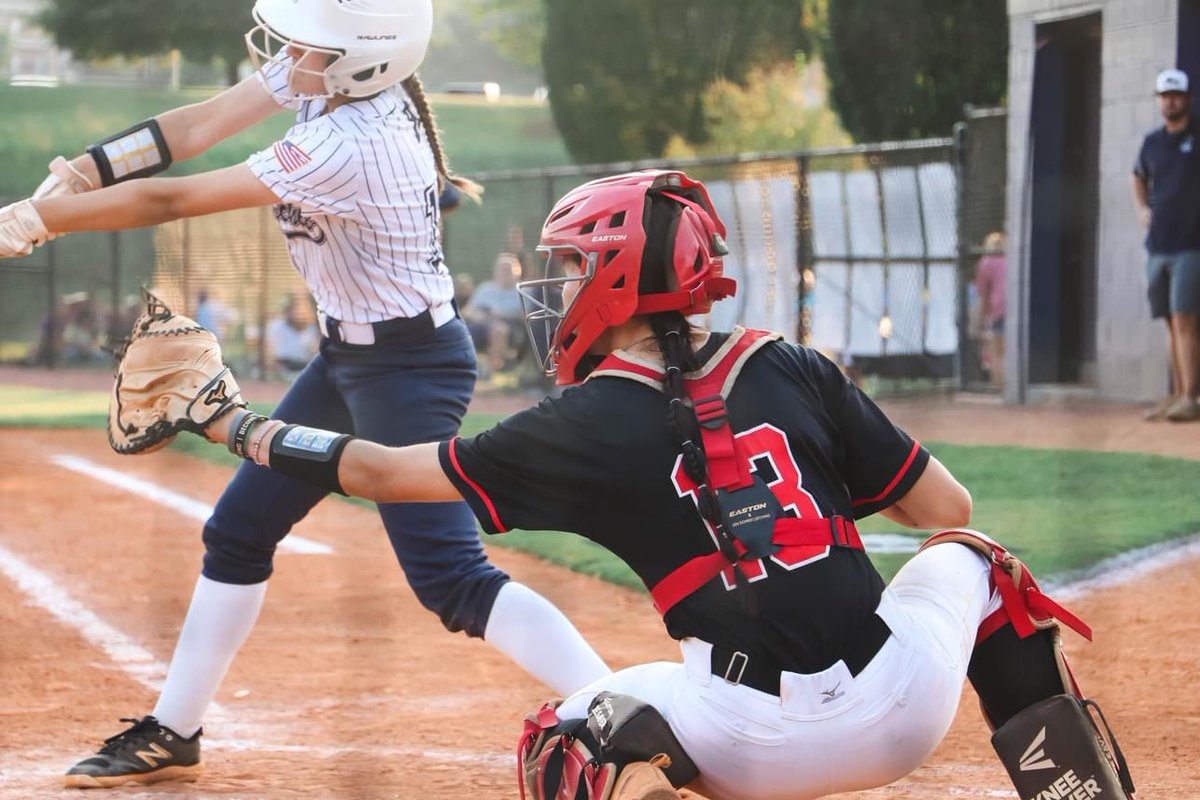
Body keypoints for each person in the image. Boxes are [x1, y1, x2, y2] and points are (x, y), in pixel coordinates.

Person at [124, 170, 1136, 800]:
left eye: (572, 268)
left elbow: (384, 470)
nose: (558, 290)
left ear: (620, 278)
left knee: (568, 733)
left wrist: (230, 419)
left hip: (751, 744)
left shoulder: (581, 421)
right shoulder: (786, 360)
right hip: (905, 705)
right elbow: (946, 512)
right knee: (978, 560)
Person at [0, 0, 608, 788]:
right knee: (239, 531)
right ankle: (175, 731)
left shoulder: (351, 142)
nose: (290, 53)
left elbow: (172, 199)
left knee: (450, 577)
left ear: (365, 60)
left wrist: (40, 217)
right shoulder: (333, 78)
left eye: (308, 44)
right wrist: (92, 165)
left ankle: (616, 705)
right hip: (345, 359)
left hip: (411, 366)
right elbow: (194, 126)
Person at [1132, 68, 1200, 423]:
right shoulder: (1153, 142)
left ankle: (1191, 396)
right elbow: (1137, 176)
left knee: (1185, 318)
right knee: (1170, 323)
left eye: (1176, 94)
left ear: (1186, 98)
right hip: (1158, 246)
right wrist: (1142, 208)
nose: (1171, 100)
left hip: (1192, 245)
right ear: (1159, 100)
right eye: (1165, 95)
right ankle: (1176, 394)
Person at [462, 251, 526, 377]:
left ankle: (491, 372)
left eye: (508, 270)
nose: (504, 273)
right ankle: (463, 370)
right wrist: (479, 315)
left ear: (517, 271)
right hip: (482, 324)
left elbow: (526, 316)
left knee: (498, 330)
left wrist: (501, 315)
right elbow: (467, 311)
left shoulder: (523, 291)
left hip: (510, 327)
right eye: (501, 269)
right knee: (458, 331)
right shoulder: (485, 288)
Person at [974, 231, 1007, 388]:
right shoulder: (1011, 260)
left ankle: (998, 385)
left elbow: (983, 294)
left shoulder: (985, 263)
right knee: (1010, 349)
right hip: (1015, 309)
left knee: (997, 350)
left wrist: (981, 319)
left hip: (998, 308)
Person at [263, 292, 319, 380]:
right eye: (296, 309)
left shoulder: (312, 329)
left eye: (304, 309)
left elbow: (314, 355)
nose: (300, 312)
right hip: (283, 368)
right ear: (288, 310)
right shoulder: (276, 326)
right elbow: (269, 356)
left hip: (304, 368)